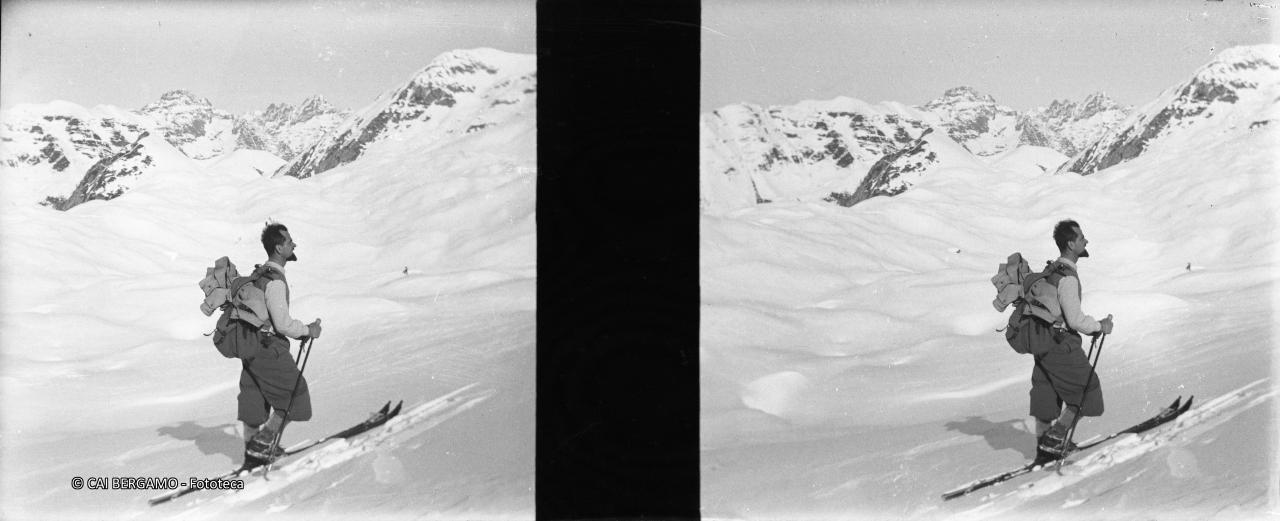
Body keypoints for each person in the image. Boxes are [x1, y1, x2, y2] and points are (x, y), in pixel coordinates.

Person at [240, 222, 323, 463]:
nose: (293, 244)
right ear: (279, 248)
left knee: (255, 398)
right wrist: (309, 330)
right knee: (295, 395)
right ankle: (263, 442)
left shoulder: (259, 275)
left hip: (250, 346)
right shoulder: (275, 281)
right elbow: (283, 324)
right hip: (268, 348)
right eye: (289, 242)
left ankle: (253, 449)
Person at [1031, 219, 1114, 459]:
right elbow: (1075, 320)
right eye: (1081, 238)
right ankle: (1056, 438)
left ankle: (1044, 447)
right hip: (1060, 344)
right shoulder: (1067, 278)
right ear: (1070, 244)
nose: (1085, 240)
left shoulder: (1052, 270)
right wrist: (1101, 326)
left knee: (1046, 393)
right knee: (1088, 389)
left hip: (1041, 341)